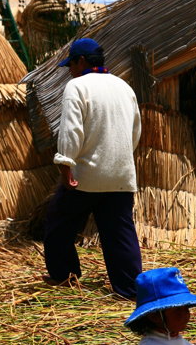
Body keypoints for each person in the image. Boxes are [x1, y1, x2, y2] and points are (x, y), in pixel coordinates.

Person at [43, 37, 142, 297]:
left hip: (86, 176)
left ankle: (65, 276)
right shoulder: (124, 87)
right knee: (120, 233)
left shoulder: (77, 86)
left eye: (71, 65)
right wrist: (120, 160)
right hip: (121, 175)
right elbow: (135, 131)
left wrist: (66, 164)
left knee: (58, 225)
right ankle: (129, 289)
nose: (70, 71)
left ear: (82, 61)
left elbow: (71, 130)